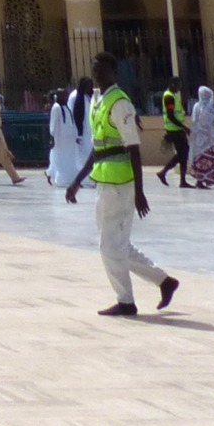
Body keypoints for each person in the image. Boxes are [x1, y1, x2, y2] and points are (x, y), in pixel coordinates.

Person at [64, 52, 178, 318]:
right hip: (104, 181)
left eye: (102, 71)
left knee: (109, 246)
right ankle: (164, 281)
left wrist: (140, 191)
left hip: (121, 184)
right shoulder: (97, 100)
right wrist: (77, 182)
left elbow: (134, 148)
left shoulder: (120, 103)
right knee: (117, 244)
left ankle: (126, 301)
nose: (97, 75)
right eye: (95, 71)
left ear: (114, 73)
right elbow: (98, 148)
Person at [157, 86, 191, 188]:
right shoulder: (169, 97)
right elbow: (170, 115)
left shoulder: (173, 96)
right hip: (174, 130)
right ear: (172, 84)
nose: (179, 87)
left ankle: (180, 180)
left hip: (176, 129)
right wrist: (183, 127)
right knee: (183, 153)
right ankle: (164, 172)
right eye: (177, 84)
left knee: (183, 154)